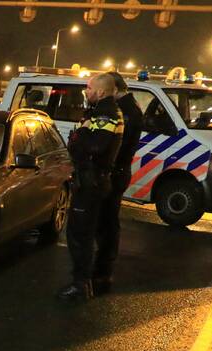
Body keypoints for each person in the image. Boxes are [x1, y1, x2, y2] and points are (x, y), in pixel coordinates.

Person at [58, 73, 125, 302]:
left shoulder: (106, 114)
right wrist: (80, 137)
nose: (86, 91)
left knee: (80, 235)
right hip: (91, 180)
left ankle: (80, 286)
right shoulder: (100, 112)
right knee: (84, 233)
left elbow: (95, 146)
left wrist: (80, 133)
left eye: (89, 88)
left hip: (91, 182)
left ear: (101, 92)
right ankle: (85, 281)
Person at [92, 72, 144, 295]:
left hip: (114, 173)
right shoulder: (129, 107)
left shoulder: (125, 111)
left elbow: (111, 146)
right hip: (117, 172)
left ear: (114, 89)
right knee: (106, 221)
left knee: (106, 222)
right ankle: (102, 268)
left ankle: (102, 271)